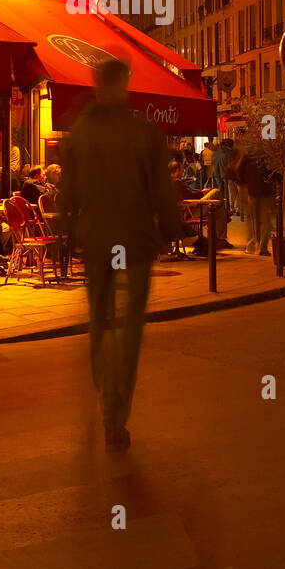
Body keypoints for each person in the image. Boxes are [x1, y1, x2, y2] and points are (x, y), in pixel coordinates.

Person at [59, 58, 180, 452]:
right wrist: (170, 229)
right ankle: (116, 411)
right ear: (124, 85)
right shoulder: (143, 131)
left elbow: (68, 190)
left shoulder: (81, 131)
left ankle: (106, 396)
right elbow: (161, 187)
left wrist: (67, 230)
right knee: (129, 333)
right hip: (135, 238)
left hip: (97, 240)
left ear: (97, 85)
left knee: (99, 321)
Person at [168, 161, 230, 244]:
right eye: (182, 168)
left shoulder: (170, 182)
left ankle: (217, 238)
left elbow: (188, 194)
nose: (183, 170)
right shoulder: (177, 182)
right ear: (177, 170)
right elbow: (190, 196)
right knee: (216, 192)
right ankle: (220, 238)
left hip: (190, 207)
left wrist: (201, 192)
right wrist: (202, 193)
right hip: (192, 208)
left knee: (218, 211)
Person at [237, 150, 276, 256]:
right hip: (265, 192)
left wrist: (246, 183)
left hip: (253, 191)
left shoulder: (247, 155)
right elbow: (274, 172)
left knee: (253, 220)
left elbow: (238, 171)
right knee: (265, 221)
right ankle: (262, 248)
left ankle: (252, 246)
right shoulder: (268, 154)